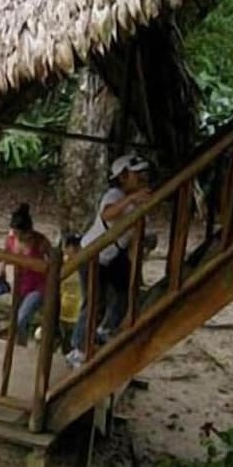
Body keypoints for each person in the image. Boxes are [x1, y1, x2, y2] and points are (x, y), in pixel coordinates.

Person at [67, 154, 152, 367]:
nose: (142, 177)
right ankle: (78, 348)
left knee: (122, 294)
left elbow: (135, 236)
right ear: (122, 177)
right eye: (136, 174)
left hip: (112, 256)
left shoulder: (137, 203)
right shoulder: (114, 195)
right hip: (92, 253)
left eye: (143, 173)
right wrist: (132, 199)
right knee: (94, 302)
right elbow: (107, 215)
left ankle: (103, 331)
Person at [0, 204, 51, 343]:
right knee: (18, 319)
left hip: (39, 286)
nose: (19, 236)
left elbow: (53, 259)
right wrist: (1, 271)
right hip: (20, 285)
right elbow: (5, 255)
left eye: (21, 233)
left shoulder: (40, 241)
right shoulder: (10, 241)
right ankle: (20, 346)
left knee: (22, 317)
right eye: (15, 232)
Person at [59, 234, 83, 352]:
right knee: (65, 340)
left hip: (78, 310)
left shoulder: (85, 265)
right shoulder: (62, 265)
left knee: (74, 341)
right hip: (63, 309)